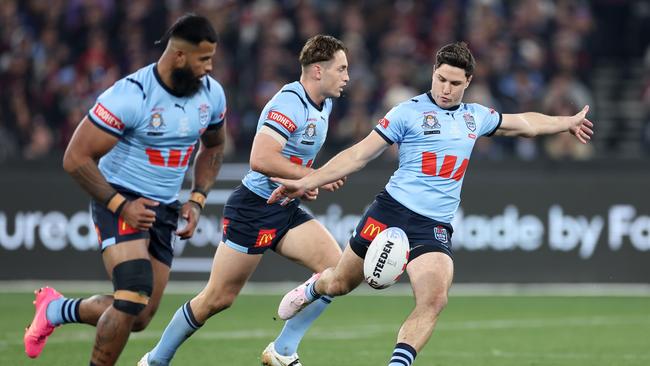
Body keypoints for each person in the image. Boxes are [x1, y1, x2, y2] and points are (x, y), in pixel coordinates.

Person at [268, 41, 594, 366]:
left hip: (432, 226)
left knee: (435, 298)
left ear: (468, 83)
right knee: (339, 283)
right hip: (389, 212)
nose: (445, 89)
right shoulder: (407, 112)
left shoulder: (474, 117)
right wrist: (307, 180)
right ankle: (314, 288)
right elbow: (358, 154)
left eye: (454, 83)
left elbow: (524, 124)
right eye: (440, 79)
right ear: (433, 73)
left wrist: (565, 122)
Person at [23, 14, 227, 366]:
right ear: (179, 56)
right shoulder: (131, 95)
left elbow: (214, 146)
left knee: (140, 315)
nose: (209, 68)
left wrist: (197, 198)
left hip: (163, 207)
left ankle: (55, 309)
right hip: (120, 196)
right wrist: (120, 205)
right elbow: (75, 158)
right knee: (133, 295)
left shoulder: (211, 95)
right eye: (203, 59)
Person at [139, 34, 349, 366]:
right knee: (217, 298)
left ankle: (282, 351)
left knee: (338, 273)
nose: (347, 77)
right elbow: (261, 159)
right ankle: (154, 360)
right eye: (341, 68)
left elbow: (289, 164)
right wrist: (307, 178)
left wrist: (307, 180)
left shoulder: (327, 104)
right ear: (318, 71)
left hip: (285, 206)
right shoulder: (289, 103)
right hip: (254, 208)